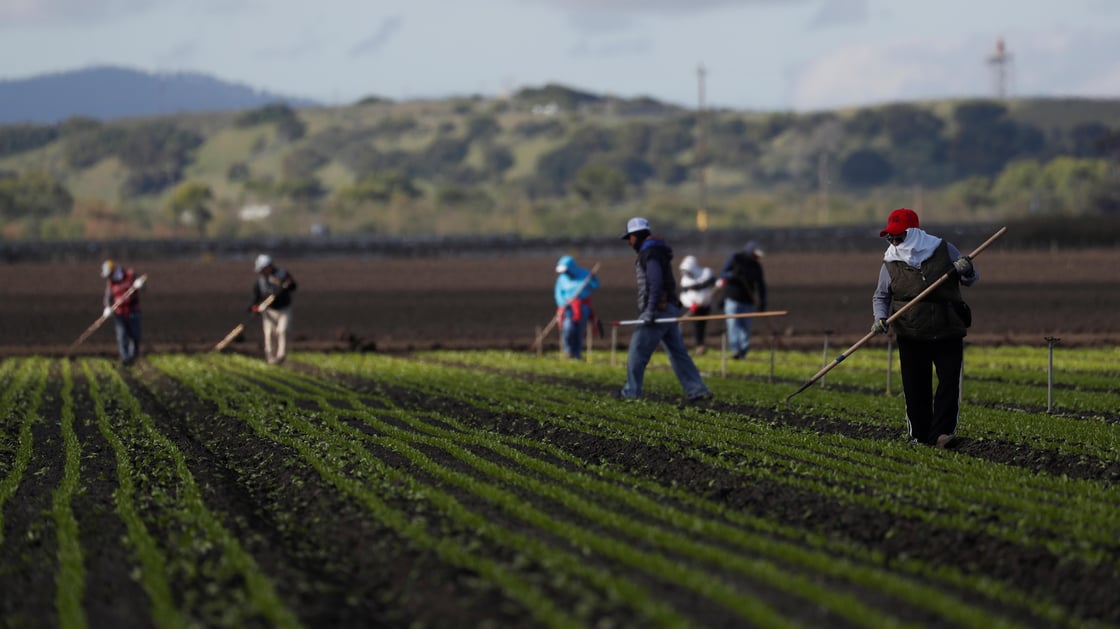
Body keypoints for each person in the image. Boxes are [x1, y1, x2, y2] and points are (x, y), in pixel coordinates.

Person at [871, 208, 978, 449]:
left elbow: (971, 279)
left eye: (899, 237)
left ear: (915, 233)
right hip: (910, 331)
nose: (895, 242)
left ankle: (941, 434)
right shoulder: (890, 262)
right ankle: (919, 436)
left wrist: (967, 269)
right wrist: (880, 318)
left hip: (947, 326)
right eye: (891, 237)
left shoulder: (943, 250)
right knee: (914, 385)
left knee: (948, 382)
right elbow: (881, 296)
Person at [617, 217, 713, 402]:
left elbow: (655, 282)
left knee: (637, 352)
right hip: (669, 309)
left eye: (629, 237)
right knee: (678, 353)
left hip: (659, 310)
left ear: (636, 236)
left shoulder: (650, 253)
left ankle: (631, 392)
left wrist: (651, 310)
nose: (629, 242)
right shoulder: (657, 251)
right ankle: (697, 389)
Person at [717, 240, 767, 359]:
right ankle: (735, 350)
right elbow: (723, 273)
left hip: (747, 301)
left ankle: (743, 352)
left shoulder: (756, 266)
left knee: (745, 328)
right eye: (756, 255)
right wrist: (732, 275)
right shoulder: (736, 258)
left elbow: (761, 285)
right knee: (733, 324)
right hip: (732, 299)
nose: (757, 257)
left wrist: (762, 301)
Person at [249, 254, 297, 365]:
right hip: (269, 311)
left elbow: (293, 286)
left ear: (268, 267)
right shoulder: (260, 282)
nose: (261, 272)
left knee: (282, 331)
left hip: (284, 309)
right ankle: (271, 358)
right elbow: (255, 299)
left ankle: (281, 355)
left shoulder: (282, 275)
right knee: (269, 333)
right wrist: (254, 307)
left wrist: (287, 286)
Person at [553, 255, 600, 360]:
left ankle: (576, 354)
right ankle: (568, 351)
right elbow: (558, 294)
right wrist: (563, 304)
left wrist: (593, 278)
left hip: (582, 308)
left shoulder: (585, 274)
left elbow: (596, 285)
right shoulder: (561, 279)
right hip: (568, 309)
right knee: (568, 329)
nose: (565, 273)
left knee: (579, 331)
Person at [101, 259, 145, 365]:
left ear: (114, 271)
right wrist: (107, 307)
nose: (108, 277)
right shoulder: (110, 282)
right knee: (122, 336)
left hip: (133, 311)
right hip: (119, 313)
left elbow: (143, 285)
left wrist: (140, 285)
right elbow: (107, 297)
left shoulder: (130, 274)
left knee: (135, 336)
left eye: (109, 274)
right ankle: (125, 358)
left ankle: (133, 356)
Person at [678, 255, 717, 355]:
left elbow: (710, 282)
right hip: (693, 306)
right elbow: (687, 292)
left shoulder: (706, 272)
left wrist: (716, 283)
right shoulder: (685, 280)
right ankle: (699, 346)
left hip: (705, 305)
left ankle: (700, 345)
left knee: (702, 325)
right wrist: (691, 304)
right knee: (697, 325)